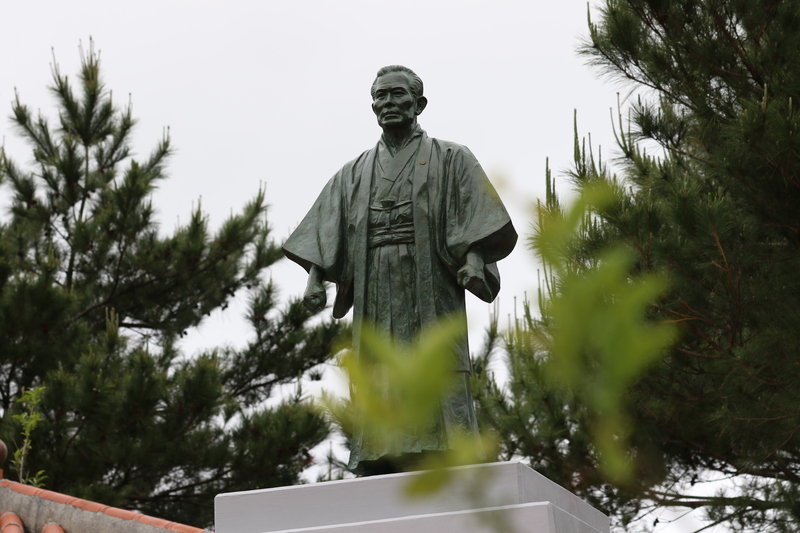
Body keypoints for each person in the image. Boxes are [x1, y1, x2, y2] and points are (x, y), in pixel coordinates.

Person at [283, 65, 517, 474]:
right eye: (379, 97)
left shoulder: (452, 158)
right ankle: (380, 451)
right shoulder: (354, 172)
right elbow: (327, 227)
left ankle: (448, 447)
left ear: (419, 104)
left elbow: (476, 219)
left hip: (431, 277)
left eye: (396, 95)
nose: (387, 104)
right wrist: (315, 278)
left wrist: (475, 259)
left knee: (439, 357)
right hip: (376, 280)